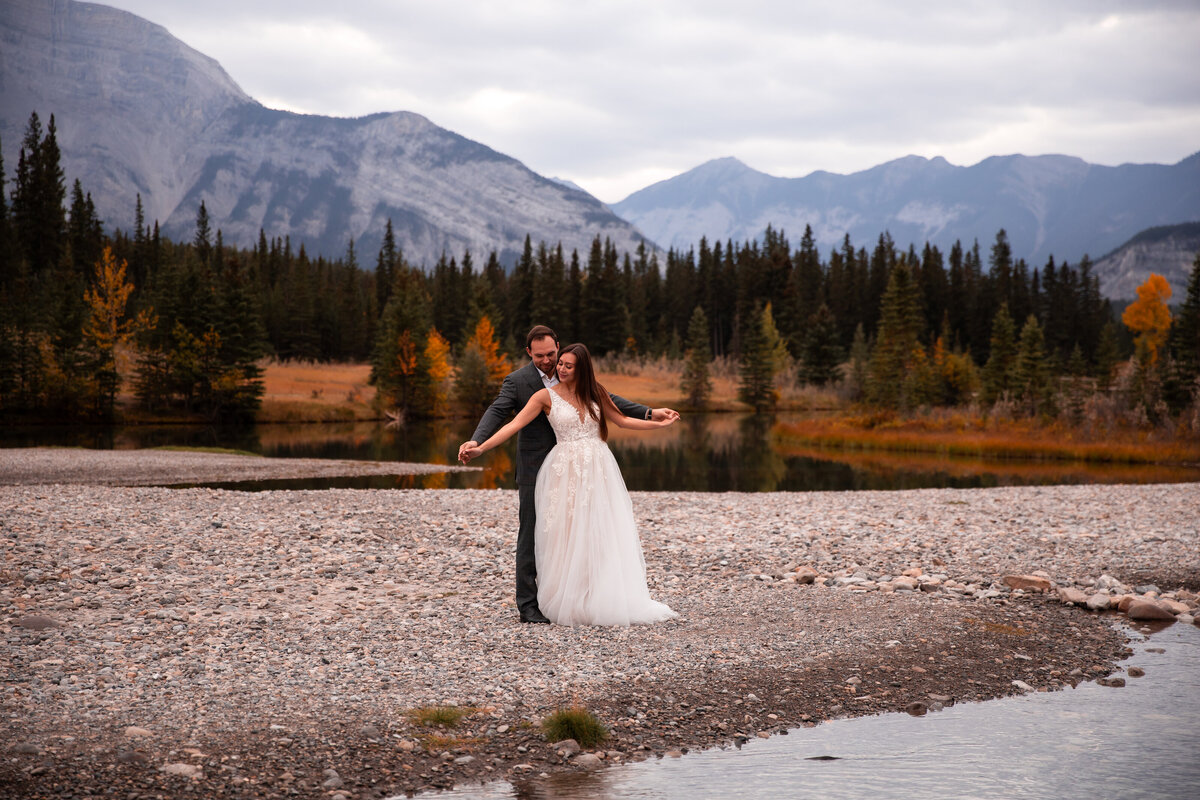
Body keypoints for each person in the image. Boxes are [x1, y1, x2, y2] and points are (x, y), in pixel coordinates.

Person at [459, 326, 678, 623]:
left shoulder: (590, 388)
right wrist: (478, 445)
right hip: (545, 467)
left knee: (591, 531)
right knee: (539, 533)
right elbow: (503, 417)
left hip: (594, 469)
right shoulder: (526, 386)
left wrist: (653, 416)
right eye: (545, 358)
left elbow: (618, 413)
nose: (552, 363)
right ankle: (530, 605)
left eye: (556, 357)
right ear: (529, 353)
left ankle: (590, 596)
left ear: (561, 350)